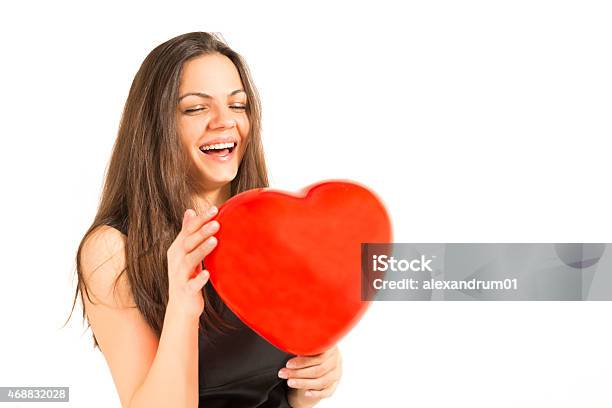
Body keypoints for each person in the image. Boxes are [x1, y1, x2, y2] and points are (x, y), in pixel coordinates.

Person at [68, 32, 342, 408]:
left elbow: (283, 392)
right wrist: (182, 307)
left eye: (238, 105)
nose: (224, 122)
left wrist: (313, 378)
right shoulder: (112, 250)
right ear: (156, 125)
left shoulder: (272, 226)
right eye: (196, 109)